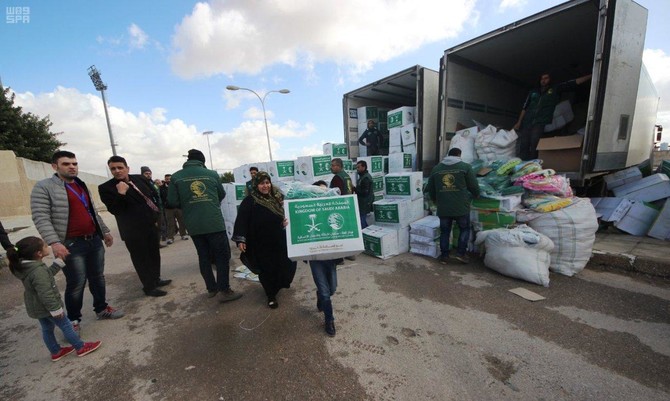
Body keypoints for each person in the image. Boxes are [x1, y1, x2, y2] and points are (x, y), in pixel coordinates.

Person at [31, 151, 124, 334]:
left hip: (93, 240)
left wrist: (104, 231)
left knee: (98, 277)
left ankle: (101, 308)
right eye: (66, 164)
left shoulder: (81, 185)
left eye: (74, 163)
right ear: (54, 166)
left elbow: (93, 212)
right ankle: (73, 319)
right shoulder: (44, 187)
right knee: (76, 282)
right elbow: (41, 217)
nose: (72, 167)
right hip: (70, 244)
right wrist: (55, 242)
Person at [8, 236, 102, 361]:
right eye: (45, 246)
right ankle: (80, 347)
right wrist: (56, 310)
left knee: (47, 329)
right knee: (66, 325)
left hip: (37, 306)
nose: (48, 247)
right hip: (48, 306)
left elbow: (45, 277)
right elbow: (45, 292)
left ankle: (56, 351)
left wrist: (57, 263)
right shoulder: (37, 271)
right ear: (39, 253)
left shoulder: (27, 267)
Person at [167, 149, 242, 302]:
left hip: (193, 225)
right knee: (222, 256)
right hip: (214, 223)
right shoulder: (212, 174)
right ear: (202, 161)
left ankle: (211, 289)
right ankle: (224, 290)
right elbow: (221, 194)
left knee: (203, 256)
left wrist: (189, 205)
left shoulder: (176, 177)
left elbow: (172, 202)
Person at [99, 156, 171, 297]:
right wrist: (121, 193)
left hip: (150, 225)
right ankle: (149, 286)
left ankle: (156, 279)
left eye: (120, 167)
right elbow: (116, 210)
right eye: (113, 169)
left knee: (154, 254)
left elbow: (151, 196)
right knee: (141, 258)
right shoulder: (106, 188)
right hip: (132, 231)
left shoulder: (139, 179)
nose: (117, 171)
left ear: (127, 168)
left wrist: (156, 218)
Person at [232, 171, 297, 309]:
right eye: (262, 183)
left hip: (278, 241)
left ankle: (277, 286)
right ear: (256, 185)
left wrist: (284, 223)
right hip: (260, 243)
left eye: (267, 183)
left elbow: (281, 216)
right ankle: (270, 295)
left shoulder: (274, 199)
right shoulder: (250, 201)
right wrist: (241, 240)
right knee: (266, 270)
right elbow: (241, 221)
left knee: (286, 266)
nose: (265, 186)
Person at [513, 72, 592, 160]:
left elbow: (572, 83)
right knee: (524, 142)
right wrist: (519, 122)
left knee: (535, 141)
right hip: (527, 120)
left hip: (541, 121)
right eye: (542, 79)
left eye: (546, 78)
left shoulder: (555, 89)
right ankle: (521, 163)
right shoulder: (533, 92)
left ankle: (533, 162)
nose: (543, 80)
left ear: (550, 80)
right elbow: (525, 107)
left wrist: (591, 75)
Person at [425, 147, 480, 264]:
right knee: (464, 229)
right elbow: (473, 185)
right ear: (459, 155)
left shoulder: (436, 169)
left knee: (445, 231)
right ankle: (461, 253)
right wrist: (476, 195)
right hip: (461, 206)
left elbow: (430, 188)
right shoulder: (465, 167)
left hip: (443, 206)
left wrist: (435, 200)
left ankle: (444, 256)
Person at [307, 180, 338, 336]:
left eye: (326, 192)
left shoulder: (333, 213)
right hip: (316, 258)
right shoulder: (306, 212)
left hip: (331, 257)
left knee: (331, 289)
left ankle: (320, 295)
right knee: (326, 293)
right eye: (319, 192)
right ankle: (329, 320)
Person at [160, 174, 188, 244]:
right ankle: (170, 238)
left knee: (181, 222)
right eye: (167, 179)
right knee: (170, 223)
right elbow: (160, 197)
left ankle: (183, 234)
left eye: (170, 179)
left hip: (178, 207)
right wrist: (165, 204)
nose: (168, 180)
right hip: (168, 209)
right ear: (165, 179)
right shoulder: (161, 188)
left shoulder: (177, 186)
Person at [354, 160, 374, 229]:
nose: (357, 169)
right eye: (357, 167)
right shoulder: (362, 177)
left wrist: (354, 189)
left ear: (364, 167)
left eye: (358, 167)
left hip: (364, 203)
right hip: (363, 202)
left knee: (362, 221)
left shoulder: (366, 178)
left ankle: (366, 233)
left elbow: (365, 193)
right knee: (362, 220)